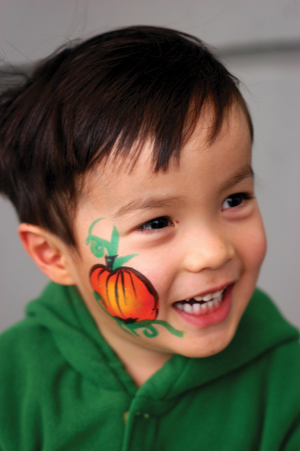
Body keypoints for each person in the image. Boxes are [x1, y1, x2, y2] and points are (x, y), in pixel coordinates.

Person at [0, 26, 299, 451]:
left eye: (234, 199)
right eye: (157, 223)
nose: (214, 251)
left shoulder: (288, 382)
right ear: (54, 256)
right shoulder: (11, 382)